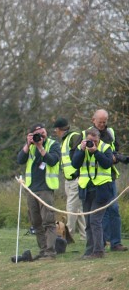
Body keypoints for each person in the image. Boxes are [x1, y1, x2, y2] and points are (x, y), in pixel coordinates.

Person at [16, 123, 62, 260]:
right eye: (37, 134)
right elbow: (20, 160)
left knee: (48, 221)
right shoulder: (30, 146)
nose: (40, 136)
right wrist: (27, 144)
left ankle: (50, 252)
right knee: (36, 222)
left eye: (42, 133)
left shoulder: (53, 145)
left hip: (46, 188)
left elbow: (53, 161)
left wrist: (40, 147)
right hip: (31, 188)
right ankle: (43, 250)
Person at [71, 126, 114, 259]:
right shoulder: (81, 148)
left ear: (99, 139)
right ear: (85, 139)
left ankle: (99, 251)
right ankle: (90, 251)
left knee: (95, 221)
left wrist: (95, 152)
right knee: (88, 222)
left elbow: (107, 164)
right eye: (90, 141)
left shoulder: (105, 148)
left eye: (94, 141)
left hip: (102, 189)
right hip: (86, 189)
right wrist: (82, 150)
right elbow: (75, 164)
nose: (92, 143)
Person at [91, 109, 127, 251]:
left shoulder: (110, 133)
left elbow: (116, 151)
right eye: (100, 122)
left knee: (114, 209)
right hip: (94, 179)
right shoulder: (88, 134)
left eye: (104, 122)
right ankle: (102, 242)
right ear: (93, 120)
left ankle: (116, 243)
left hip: (109, 176)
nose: (102, 124)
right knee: (101, 212)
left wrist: (115, 158)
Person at [53, 117, 86, 241]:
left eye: (56, 129)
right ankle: (85, 235)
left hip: (76, 178)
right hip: (70, 179)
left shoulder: (74, 137)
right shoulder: (67, 139)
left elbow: (78, 157)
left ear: (59, 129)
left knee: (71, 208)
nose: (55, 132)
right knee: (78, 209)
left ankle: (67, 235)